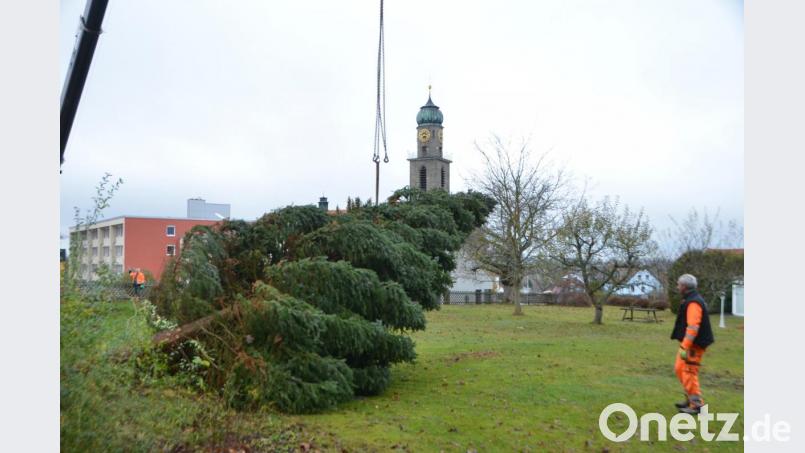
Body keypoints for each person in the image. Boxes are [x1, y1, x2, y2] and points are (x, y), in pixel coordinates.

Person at [671, 273, 715, 414]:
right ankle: (690, 399)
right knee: (679, 369)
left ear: (684, 286)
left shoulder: (693, 303)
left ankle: (697, 405)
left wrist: (685, 346)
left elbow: (693, 327)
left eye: (679, 284)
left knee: (689, 372)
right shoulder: (690, 299)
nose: (677, 287)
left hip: (693, 345)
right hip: (689, 344)